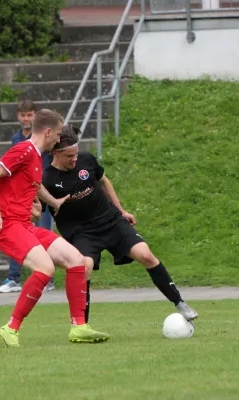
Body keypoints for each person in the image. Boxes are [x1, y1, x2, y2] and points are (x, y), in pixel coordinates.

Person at [41, 125, 199, 323]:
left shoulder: (86, 160)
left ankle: (180, 303)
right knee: (84, 268)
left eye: (76, 153)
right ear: (56, 152)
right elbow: (37, 210)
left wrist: (122, 211)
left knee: (146, 255)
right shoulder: (47, 179)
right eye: (69, 156)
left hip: (111, 221)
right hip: (82, 233)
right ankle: (81, 324)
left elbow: (104, 181)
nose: (75, 159)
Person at [0, 109, 110, 348]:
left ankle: (79, 327)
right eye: (59, 133)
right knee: (45, 267)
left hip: (23, 224)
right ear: (48, 131)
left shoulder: (35, 157)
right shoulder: (23, 150)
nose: (59, 138)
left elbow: (33, 185)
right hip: (7, 225)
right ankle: (11, 327)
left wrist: (50, 202)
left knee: (76, 260)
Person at [0, 99, 55, 293]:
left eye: (29, 115)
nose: (26, 118)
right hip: (20, 196)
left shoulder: (44, 139)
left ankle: (48, 278)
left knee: (43, 231)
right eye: (23, 115)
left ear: (35, 116)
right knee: (17, 235)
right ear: (17, 116)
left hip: (39, 193)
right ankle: (13, 278)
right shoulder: (16, 139)